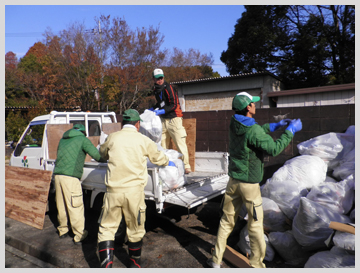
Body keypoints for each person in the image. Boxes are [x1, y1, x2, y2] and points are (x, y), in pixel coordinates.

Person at [207, 92, 302, 268]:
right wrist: (290, 131)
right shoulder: (253, 130)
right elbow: (273, 149)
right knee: (255, 225)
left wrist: (274, 126)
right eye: (253, 103)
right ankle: (257, 265)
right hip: (249, 185)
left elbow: (255, 130)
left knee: (226, 221)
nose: (255, 105)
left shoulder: (234, 122)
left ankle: (216, 260)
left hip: (233, 181)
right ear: (248, 108)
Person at [97, 109, 175, 268]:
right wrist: (168, 161)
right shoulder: (143, 140)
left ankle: (105, 267)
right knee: (135, 229)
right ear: (138, 124)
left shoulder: (112, 138)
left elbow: (102, 154)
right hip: (134, 193)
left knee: (106, 228)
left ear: (122, 123)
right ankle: (134, 266)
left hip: (113, 192)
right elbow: (158, 157)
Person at [53, 123, 105, 245]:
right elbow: (97, 155)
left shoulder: (63, 140)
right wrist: (107, 158)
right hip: (70, 177)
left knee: (62, 205)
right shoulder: (82, 139)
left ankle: (63, 230)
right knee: (75, 205)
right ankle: (79, 235)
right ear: (83, 132)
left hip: (58, 176)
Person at [150, 68, 191, 174]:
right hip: (163, 120)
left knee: (180, 142)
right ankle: (166, 166)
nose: (160, 80)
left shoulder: (168, 88)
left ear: (163, 77)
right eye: (157, 78)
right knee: (163, 144)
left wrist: (162, 111)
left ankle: (186, 166)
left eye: (161, 78)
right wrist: (154, 108)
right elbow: (160, 103)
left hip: (174, 118)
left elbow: (173, 104)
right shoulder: (156, 90)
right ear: (154, 79)